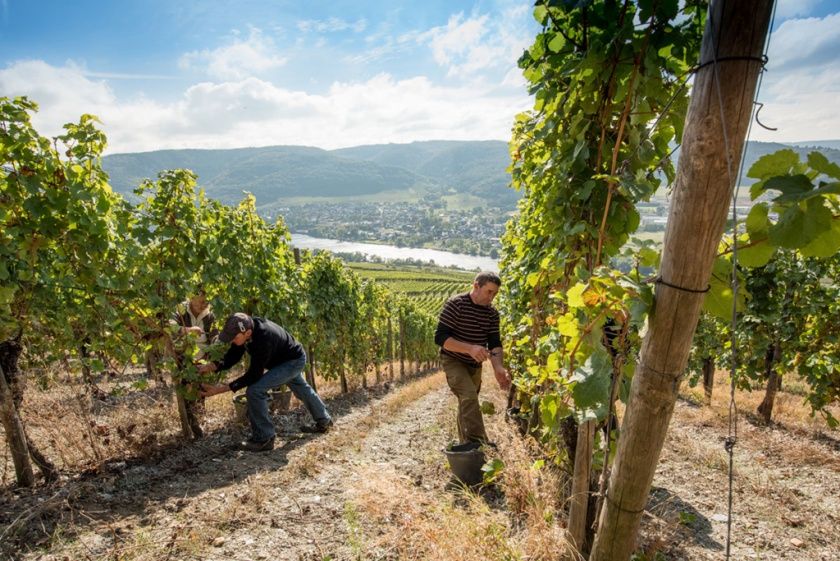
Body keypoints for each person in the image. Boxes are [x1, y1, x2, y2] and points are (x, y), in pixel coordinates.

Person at [199, 313, 333, 451]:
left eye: (234, 337)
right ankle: (325, 421)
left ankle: (264, 439)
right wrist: (211, 366)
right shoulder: (246, 330)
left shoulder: (263, 338)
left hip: (292, 361)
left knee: (255, 390)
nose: (232, 340)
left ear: (248, 333)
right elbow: (233, 356)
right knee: (301, 388)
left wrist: (219, 390)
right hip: (282, 360)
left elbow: (253, 375)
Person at [435, 271, 511, 444]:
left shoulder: (492, 314)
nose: (492, 297)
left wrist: (498, 368)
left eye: (495, 293)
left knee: (467, 402)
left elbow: (494, 343)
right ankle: (479, 443)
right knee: (469, 396)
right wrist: (469, 348)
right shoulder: (456, 305)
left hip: (474, 365)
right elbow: (440, 338)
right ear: (476, 286)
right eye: (489, 292)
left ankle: (465, 446)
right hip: (453, 360)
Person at [170, 290, 218, 438]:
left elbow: (215, 334)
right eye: (200, 301)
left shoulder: (210, 315)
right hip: (183, 358)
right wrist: (187, 330)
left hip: (203, 358)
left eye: (206, 302)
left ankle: (197, 419)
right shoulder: (180, 310)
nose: (204, 305)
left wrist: (216, 345)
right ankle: (191, 422)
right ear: (191, 298)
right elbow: (170, 326)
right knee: (187, 389)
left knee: (201, 389)